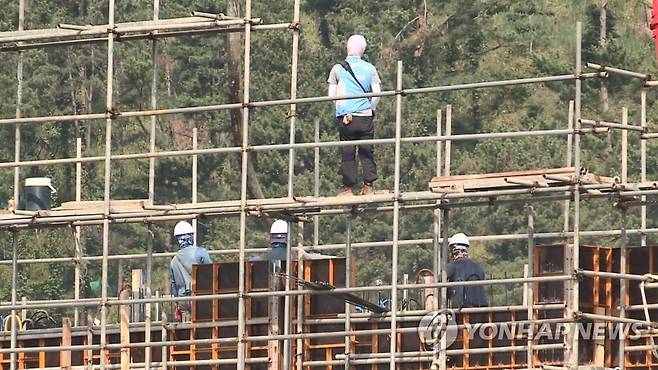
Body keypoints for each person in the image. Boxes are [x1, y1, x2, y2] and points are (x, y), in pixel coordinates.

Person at [328, 34, 382, 196]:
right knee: (367, 150)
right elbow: (377, 93)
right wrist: (370, 108)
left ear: (347, 48)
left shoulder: (337, 69)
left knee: (348, 152)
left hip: (347, 117)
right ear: (363, 50)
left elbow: (331, 96)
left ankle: (348, 188)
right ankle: (368, 187)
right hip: (365, 116)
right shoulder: (370, 68)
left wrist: (341, 109)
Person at [170, 220, 212, 319]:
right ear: (191, 236)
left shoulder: (173, 261)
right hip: (200, 297)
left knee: (187, 329)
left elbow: (174, 286)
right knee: (203, 325)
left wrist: (177, 304)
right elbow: (212, 273)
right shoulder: (201, 252)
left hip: (183, 300)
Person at [446, 233, 488, 308]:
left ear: (453, 249)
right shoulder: (479, 267)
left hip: (463, 307)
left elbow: (439, 279)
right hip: (482, 307)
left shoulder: (453, 266)